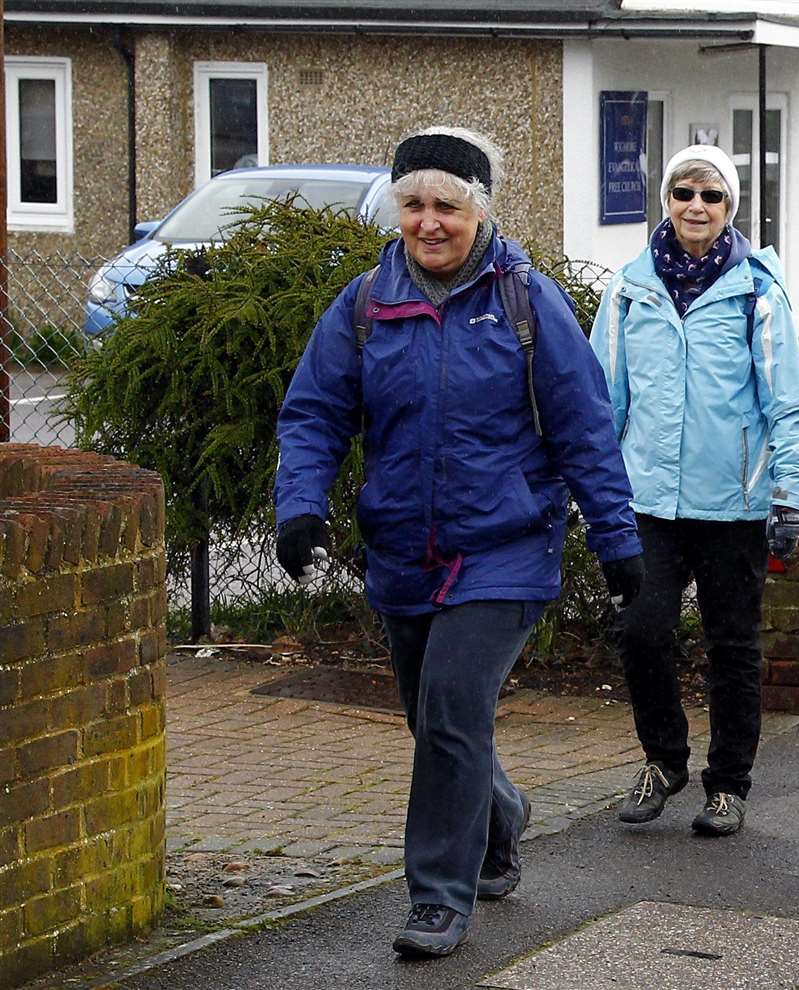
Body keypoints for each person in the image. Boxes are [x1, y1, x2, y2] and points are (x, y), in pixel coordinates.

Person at [274, 127, 646, 958]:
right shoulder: (366, 301)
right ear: (395, 207)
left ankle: (439, 898)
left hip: (506, 549)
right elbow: (314, 413)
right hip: (405, 550)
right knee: (436, 720)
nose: (430, 221)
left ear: (479, 210)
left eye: (447, 204)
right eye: (414, 204)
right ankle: (500, 820)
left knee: (449, 711)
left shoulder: (523, 300)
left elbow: (585, 425)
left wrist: (617, 538)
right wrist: (299, 506)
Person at [591, 144, 799, 840]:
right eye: (684, 192)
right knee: (642, 630)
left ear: (730, 207)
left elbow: (788, 401)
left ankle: (728, 785)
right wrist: (596, 495)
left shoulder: (756, 290)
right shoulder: (629, 290)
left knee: (733, 645)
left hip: (733, 503)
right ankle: (663, 760)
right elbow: (602, 400)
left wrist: (787, 493)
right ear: (666, 200)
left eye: (711, 196)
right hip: (649, 500)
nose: (696, 206)